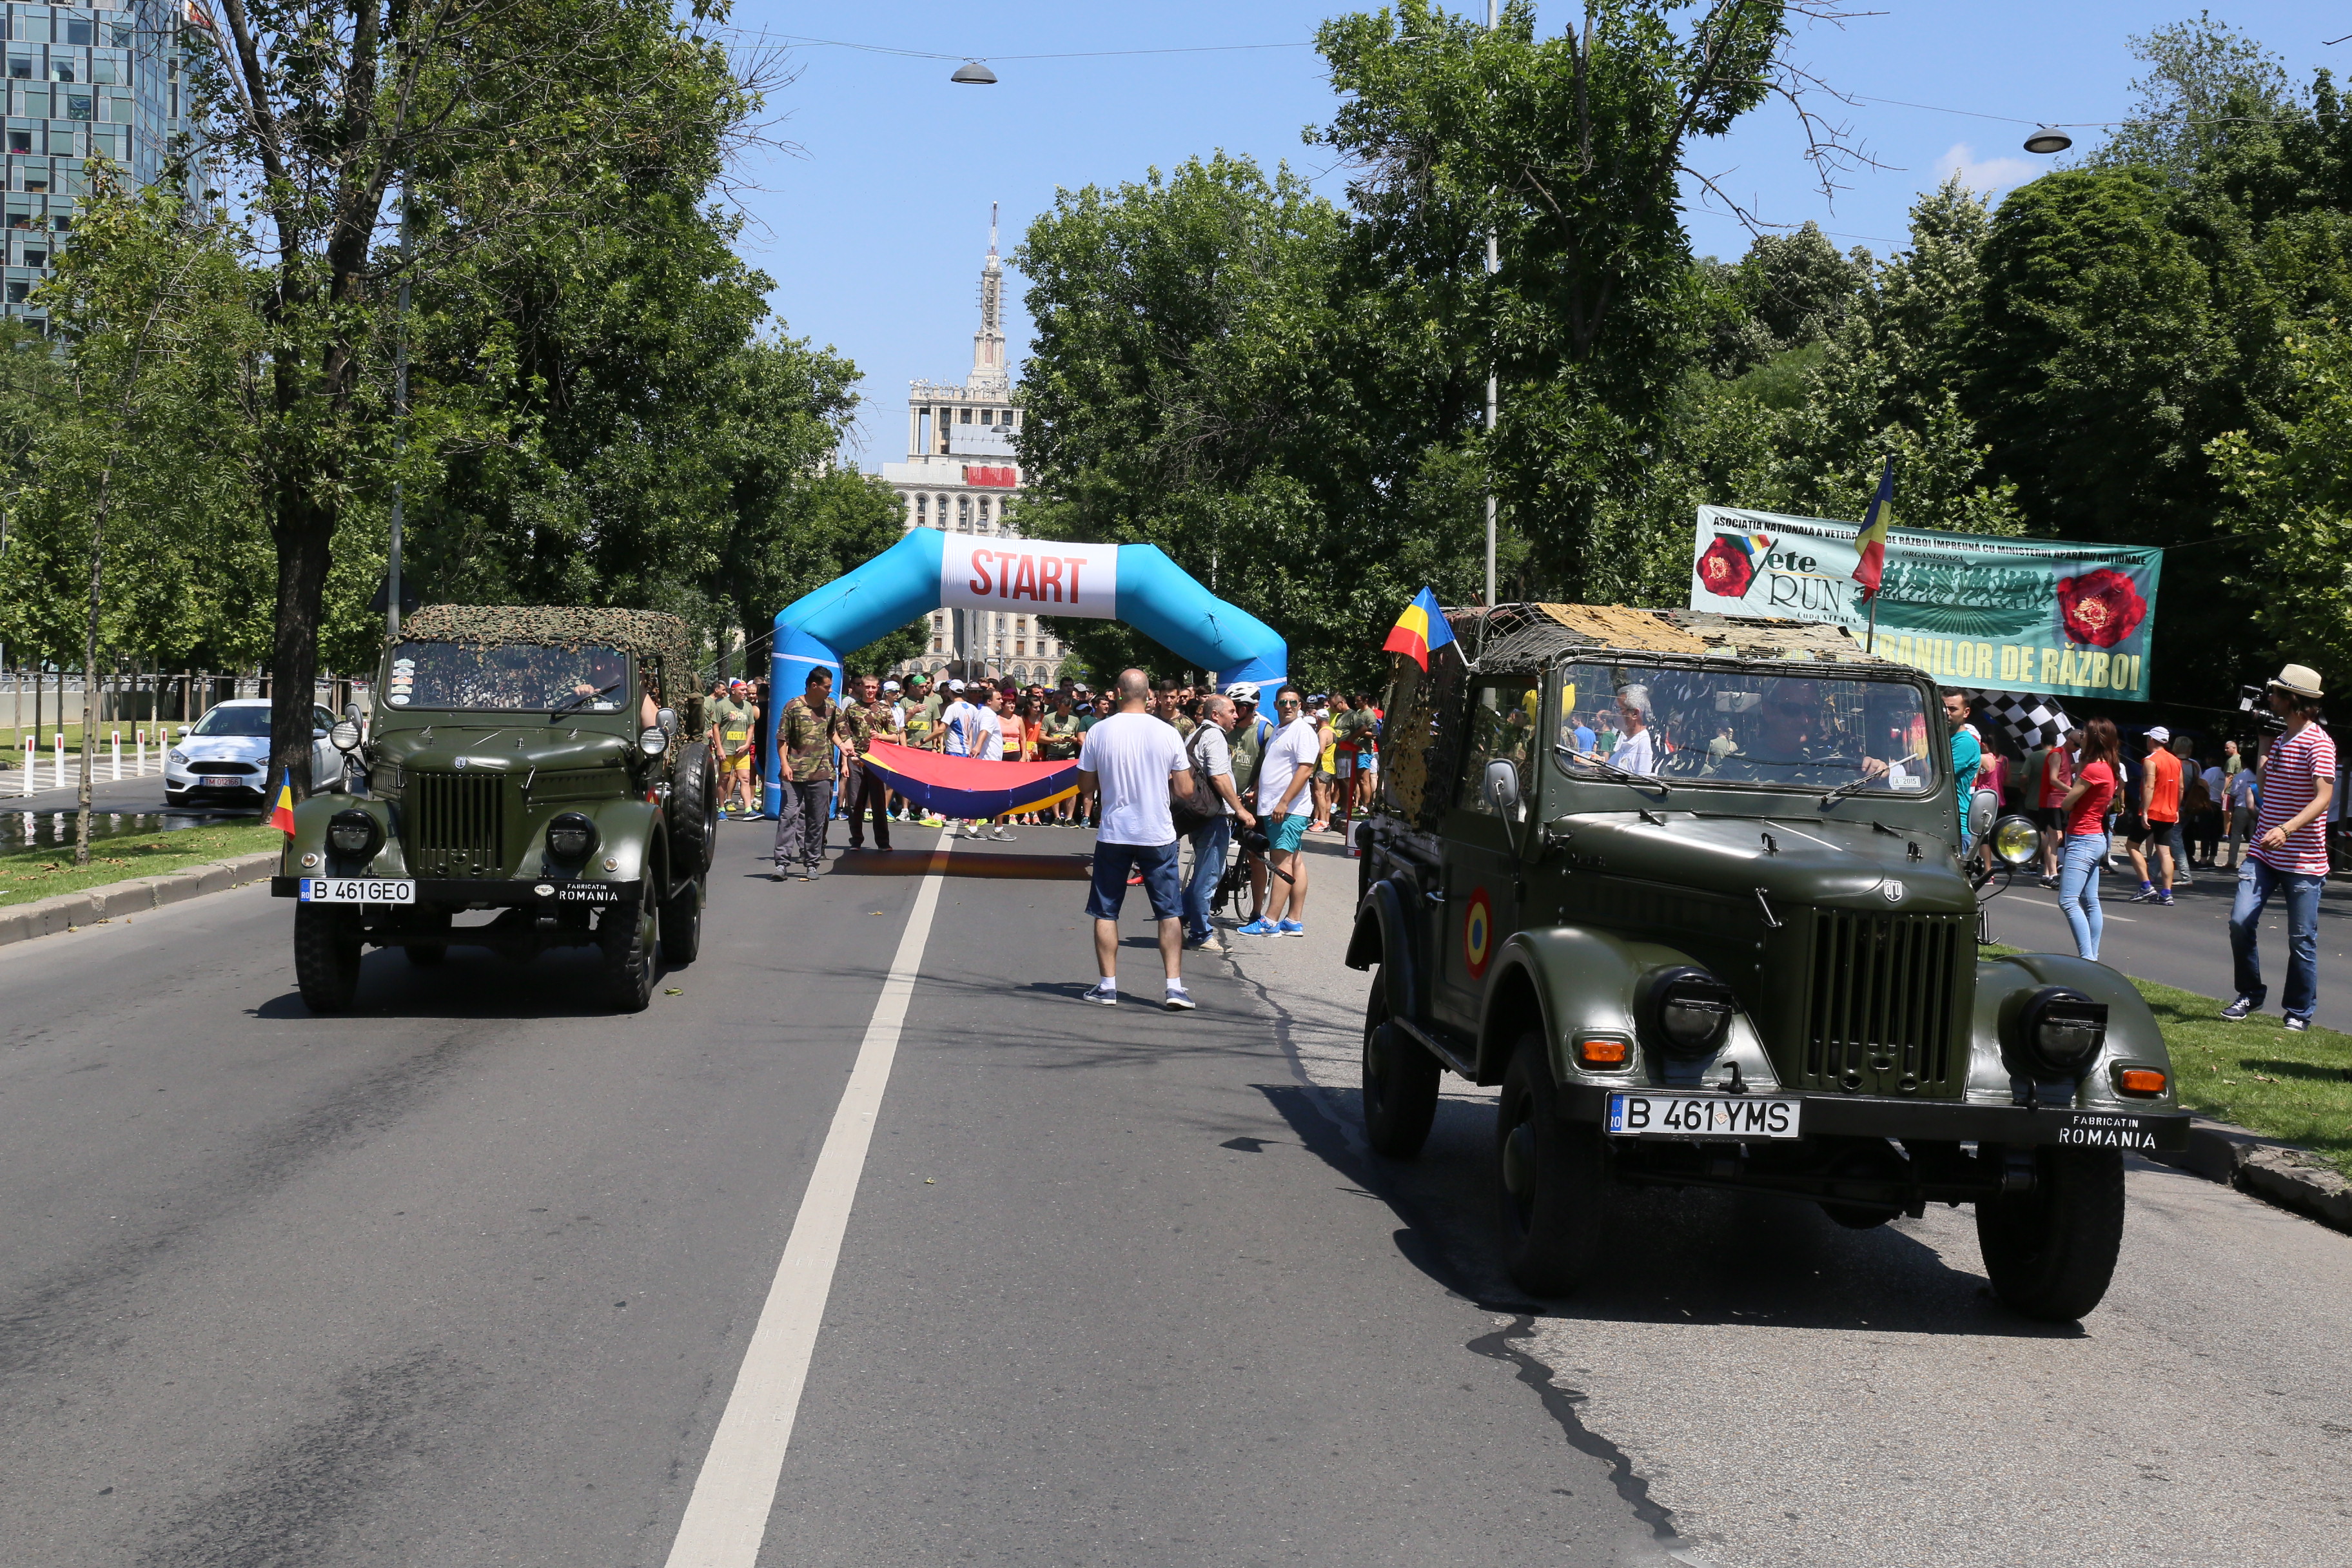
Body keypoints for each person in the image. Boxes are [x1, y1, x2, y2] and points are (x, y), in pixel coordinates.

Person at [1076, 669, 1200, 1009]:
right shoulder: (1168, 732)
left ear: (1117, 692)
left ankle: (1107, 985)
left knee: (1106, 911)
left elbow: (1085, 787)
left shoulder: (1099, 732)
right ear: (1150, 695)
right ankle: (1174, 987)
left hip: (1115, 831)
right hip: (1157, 831)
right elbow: (1186, 790)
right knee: (1168, 912)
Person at [2226, 665, 2335, 1031]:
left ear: (2293, 700)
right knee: (2240, 921)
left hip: (2303, 859)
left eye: (2274, 693)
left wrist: (2286, 829)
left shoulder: (2318, 742)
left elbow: (2324, 796)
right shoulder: (2283, 737)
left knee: (2302, 939)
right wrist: (2261, 741)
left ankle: (2299, 1011)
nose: (2268, 698)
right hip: (2263, 852)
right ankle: (2250, 994)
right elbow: (2264, 782)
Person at [1239, 686, 1320, 937]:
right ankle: (1293, 920)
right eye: (1283, 702)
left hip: (1288, 810)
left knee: (1281, 863)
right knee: (1294, 860)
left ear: (1300, 706)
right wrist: (1258, 790)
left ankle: (1270, 920)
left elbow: (1305, 769)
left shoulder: (1302, 731)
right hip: (1274, 807)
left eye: (1293, 703)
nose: (1288, 706)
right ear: (1275, 705)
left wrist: (1284, 802)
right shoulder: (1280, 732)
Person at [1180, 695, 1255, 947]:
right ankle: (1200, 934)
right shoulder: (1214, 736)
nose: (1236, 715)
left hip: (1200, 815)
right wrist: (1240, 810)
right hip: (1215, 817)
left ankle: (1180, 916)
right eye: (1232, 711)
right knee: (1209, 875)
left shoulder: (1196, 735)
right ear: (1216, 715)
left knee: (1209, 871)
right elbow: (1219, 776)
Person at [2055, 716, 2121, 961]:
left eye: (2084, 735)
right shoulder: (2109, 767)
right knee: (2090, 900)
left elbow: (2067, 803)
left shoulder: (2094, 769)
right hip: (2095, 838)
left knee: (2069, 901)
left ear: (2095, 738)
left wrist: (2078, 775)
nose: (2080, 738)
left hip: (2082, 839)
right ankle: (2092, 957)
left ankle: (2088, 959)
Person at [773, 667, 839, 879]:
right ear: (814, 686)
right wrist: (784, 765)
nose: (830, 690)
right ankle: (781, 863)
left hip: (822, 773)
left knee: (816, 819)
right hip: (794, 773)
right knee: (788, 816)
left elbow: (833, 732)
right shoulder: (793, 706)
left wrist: (845, 748)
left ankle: (812, 862)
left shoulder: (831, 707)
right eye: (827, 687)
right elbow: (782, 738)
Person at [838, 673, 896, 852]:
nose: (870, 690)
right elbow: (844, 737)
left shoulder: (884, 709)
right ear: (861, 687)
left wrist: (880, 736)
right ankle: (856, 840)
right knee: (855, 804)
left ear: (878, 688)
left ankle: (883, 842)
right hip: (856, 760)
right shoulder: (852, 709)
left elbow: (894, 736)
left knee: (879, 803)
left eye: (873, 687)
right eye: (867, 687)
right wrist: (845, 763)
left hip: (877, 762)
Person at [2128, 726, 2183, 905]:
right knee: (2165, 852)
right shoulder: (2176, 761)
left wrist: (2144, 810)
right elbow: (2181, 787)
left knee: (2132, 846)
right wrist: (2176, 808)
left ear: (2152, 739)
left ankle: (2146, 886)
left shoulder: (2150, 760)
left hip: (2152, 810)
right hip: (2169, 811)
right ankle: (2167, 893)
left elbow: (2149, 786)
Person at [1943, 690, 1982, 858]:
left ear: (1966, 712)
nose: (1947, 713)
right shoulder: (1943, 739)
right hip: (1940, 820)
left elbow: (1935, 774)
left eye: (1953, 709)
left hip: (1954, 826)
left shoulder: (1965, 743)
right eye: (1943, 708)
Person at [2035, 727, 2076, 888]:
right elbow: (2053, 779)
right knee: (2056, 837)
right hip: (2051, 801)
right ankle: (2052, 874)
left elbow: (2063, 772)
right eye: (2076, 745)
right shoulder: (2057, 754)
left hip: (2061, 802)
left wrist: (2078, 766)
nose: (2077, 749)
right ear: (2070, 741)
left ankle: (2047, 874)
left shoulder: (2067, 755)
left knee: (2055, 838)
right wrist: (2073, 791)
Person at [1041, 692, 1085, 825]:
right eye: (1063, 710)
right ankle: (1056, 817)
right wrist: (1055, 739)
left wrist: (1073, 740)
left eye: (1068, 710)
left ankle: (1069, 817)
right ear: (1058, 706)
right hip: (1054, 755)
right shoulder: (1048, 718)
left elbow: (1079, 738)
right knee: (1055, 787)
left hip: (1070, 756)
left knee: (1071, 787)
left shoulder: (1075, 719)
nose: (1065, 712)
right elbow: (1041, 737)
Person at [2225, 749, 2258, 870]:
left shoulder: (2240, 776)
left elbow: (2233, 792)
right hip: (2256, 808)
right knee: (2254, 836)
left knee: (2236, 834)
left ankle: (2232, 861)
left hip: (2241, 807)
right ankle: (2255, 861)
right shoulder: (2259, 775)